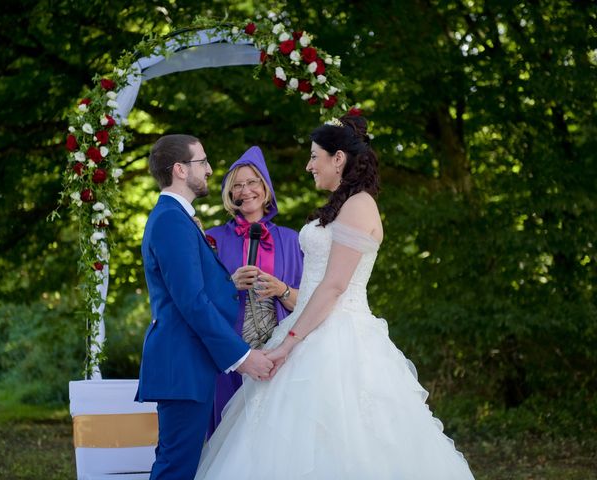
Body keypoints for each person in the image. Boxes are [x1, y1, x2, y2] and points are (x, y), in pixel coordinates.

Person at [195, 116, 475, 479]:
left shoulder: (359, 205)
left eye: (315, 156)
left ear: (338, 158)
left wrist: (288, 344)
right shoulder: (339, 206)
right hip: (310, 325)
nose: (309, 165)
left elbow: (334, 286)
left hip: (339, 336)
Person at [135, 134, 274, 480]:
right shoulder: (170, 219)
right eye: (203, 162)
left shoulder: (176, 218)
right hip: (181, 365)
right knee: (175, 469)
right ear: (180, 170)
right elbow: (191, 302)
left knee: (179, 465)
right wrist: (242, 358)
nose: (211, 170)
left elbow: (193, 291)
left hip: (187, 364)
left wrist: (229, 285)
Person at [205, 146, 304, 436]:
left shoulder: (291, 240)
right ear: (229, 194)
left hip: (278, 355)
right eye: (237, 185)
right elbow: (198, 301)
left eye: (252, 182)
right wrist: (229, 284)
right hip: (231, 355)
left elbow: (310, 302)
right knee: (230, 436)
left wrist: (282, 289)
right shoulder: (213, 239)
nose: (245, 190)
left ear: (266, 187)